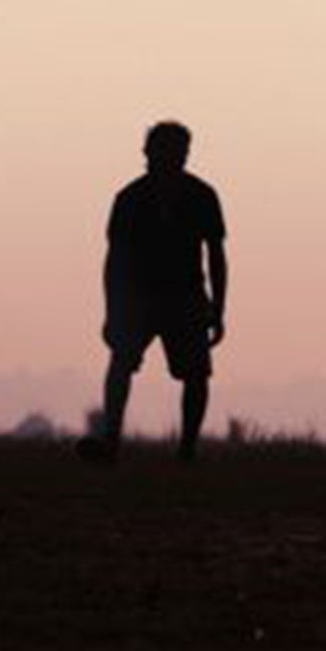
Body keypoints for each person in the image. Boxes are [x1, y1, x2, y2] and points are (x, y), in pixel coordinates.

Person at [78, 121, 227, 463]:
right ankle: (112, 443)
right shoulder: (130, 199)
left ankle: (187, 449)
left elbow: (216, 256)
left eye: (179, 152)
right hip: (140, 298)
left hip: (184, 297)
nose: (173, 159)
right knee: (122, 365)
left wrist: (218, 307)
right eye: (166, 151)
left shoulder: (201, 196)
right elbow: (114, 260)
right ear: (148, 152)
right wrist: (112, 310)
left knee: (195, 374)